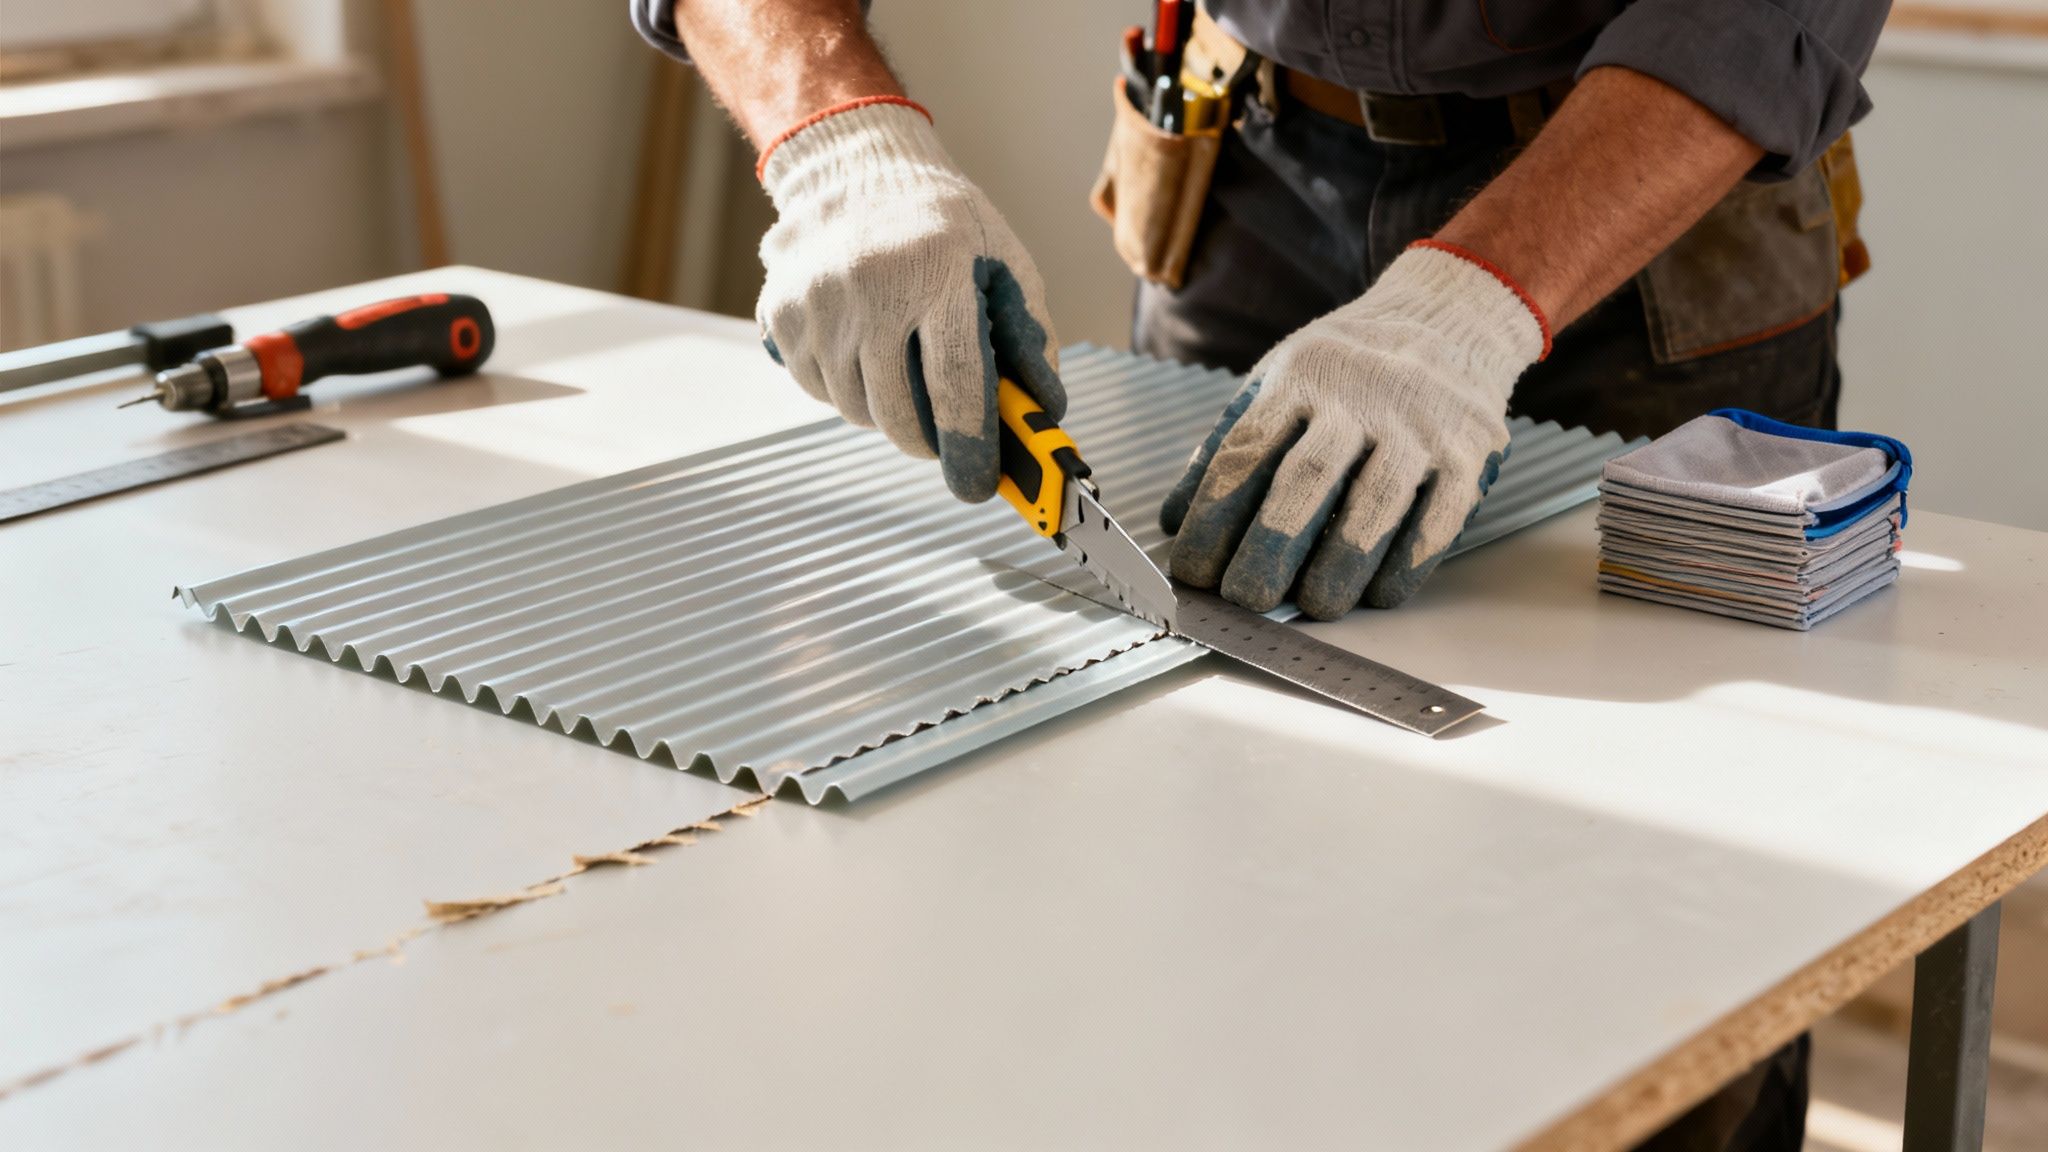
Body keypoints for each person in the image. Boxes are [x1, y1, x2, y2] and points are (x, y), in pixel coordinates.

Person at [632, 3, 1885, 1146]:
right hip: (1245, 179)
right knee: (1204, 923)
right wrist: (834, 145)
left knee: (1662, 966)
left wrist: (1474, 301)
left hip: (1640, 203)